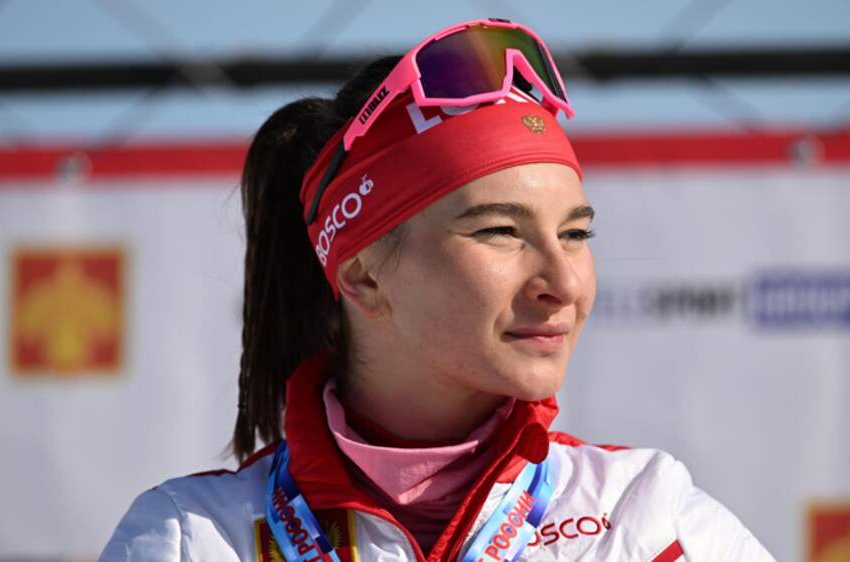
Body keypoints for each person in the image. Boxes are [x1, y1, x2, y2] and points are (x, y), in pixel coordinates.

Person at [100, 18, 776, 562]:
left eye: (575, 234)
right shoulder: (193, 537)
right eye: (501, 231)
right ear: (363, 274)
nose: (564, 282)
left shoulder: (648, 521)